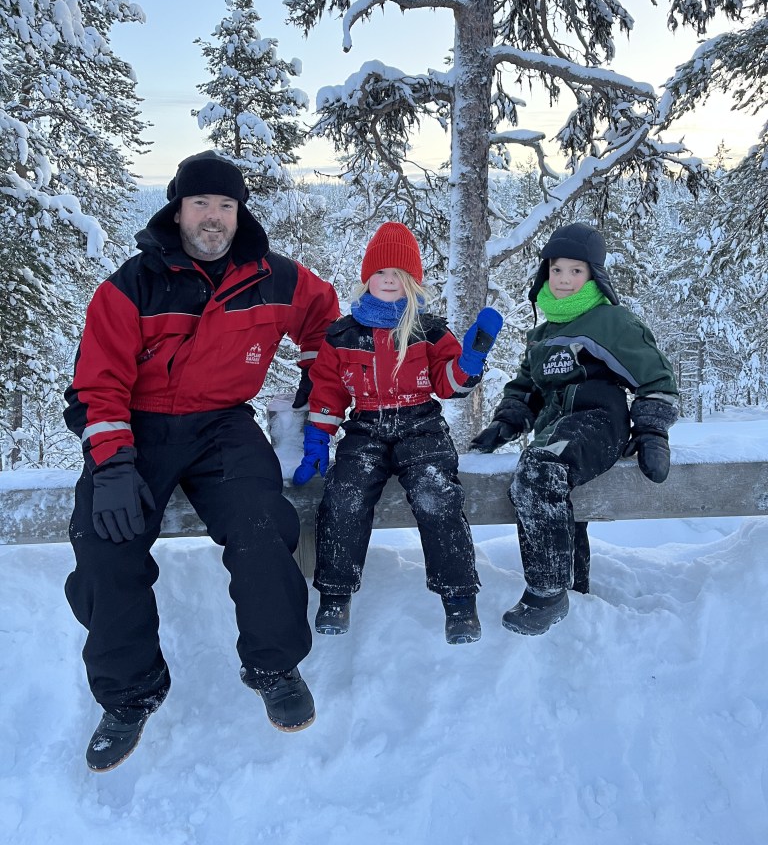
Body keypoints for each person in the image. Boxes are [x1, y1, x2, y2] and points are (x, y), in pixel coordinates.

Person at [63, 150, 340, 772]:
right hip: (140, 426)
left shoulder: (277, 278)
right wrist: (110, 464)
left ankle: (275, 665)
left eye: (225, 205)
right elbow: (98, 380)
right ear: (178, 208)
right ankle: (129, 695)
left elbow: (335, 334)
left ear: (239, 214)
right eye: (200, 204)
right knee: (106, 542)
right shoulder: (131, 284)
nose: (213, 217)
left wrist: (314, 389)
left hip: (222, 425)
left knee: (264, 523)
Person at [292, 221, 503, 644]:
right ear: (367, 278)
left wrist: (471, 360)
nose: (389, 280)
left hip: (420, 425)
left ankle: (459, 601)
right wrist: (318, 437)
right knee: (345, 494)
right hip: (366, 426)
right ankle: (335, 594)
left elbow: (450, 384)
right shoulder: (343, 334)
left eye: (398, 275)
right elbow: (329, 391)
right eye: (381, 273)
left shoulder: (428, 330)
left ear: (412, 282)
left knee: (436, 496)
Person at [471, 222, 678, 635]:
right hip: (557, 427)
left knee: (541, 468)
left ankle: (547, 592)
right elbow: (527, 388)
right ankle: (576, 594)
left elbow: (655, 379)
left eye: (575, 271)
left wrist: (652, 431)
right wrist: (505, 422)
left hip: (598, 421)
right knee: (554, 494)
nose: (564, 280)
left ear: (594, 275)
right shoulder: (542, 335)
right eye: (556, 270)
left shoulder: (610, 321)